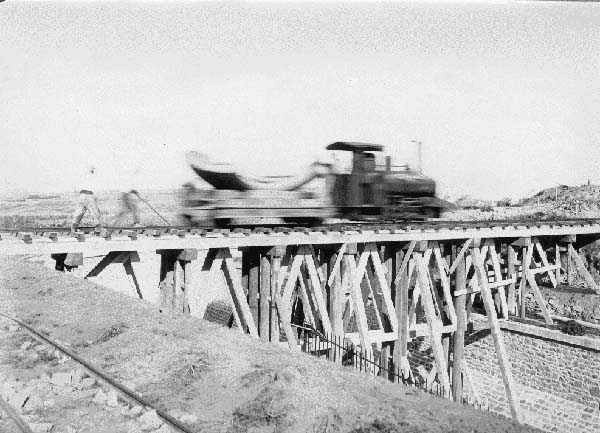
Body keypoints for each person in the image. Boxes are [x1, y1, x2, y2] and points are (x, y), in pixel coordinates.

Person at [71, 165, 104, 232]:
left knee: (79, 212)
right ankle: (98, 228)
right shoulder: (92, 177)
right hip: (89, 195)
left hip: (82, 195)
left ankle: (74, 227)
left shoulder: (82, 176)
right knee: (95, 212)